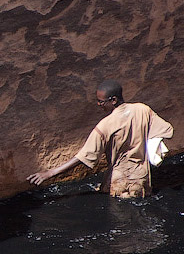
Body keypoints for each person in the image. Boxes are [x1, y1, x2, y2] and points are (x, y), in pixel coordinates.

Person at [27, 79, 173, 198]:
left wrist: (50, 173)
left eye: (101, 102)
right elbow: (167, 130)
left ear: (114, 100)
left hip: (121, 182)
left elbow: (83, 157)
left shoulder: (105, 125)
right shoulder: (143, 109)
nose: (99, 105)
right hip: (143, 178)